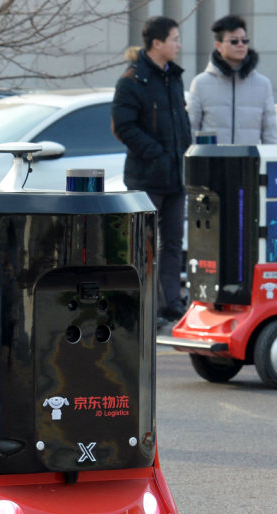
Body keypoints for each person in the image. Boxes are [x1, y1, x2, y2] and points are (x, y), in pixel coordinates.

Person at [111, 16, 192, 323]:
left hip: (175, 177)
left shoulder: (173, 76)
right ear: (157, 43)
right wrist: (157, 154)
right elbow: (124, 127)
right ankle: (145, 308)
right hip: (147, 177)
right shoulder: (133, 79)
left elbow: (181, 123)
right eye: (174, 39)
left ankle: (171, 303)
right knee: (143, 247)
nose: (179, 44)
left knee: (172, 244)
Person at [187, 15, 277, 145]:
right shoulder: (200, 83)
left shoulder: (262, 84)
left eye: (244, 41)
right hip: (213, 162)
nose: (240, 45)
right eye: (234, 41)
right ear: (219, 46)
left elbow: (270, 131)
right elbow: (191, 128)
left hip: (250, 162)